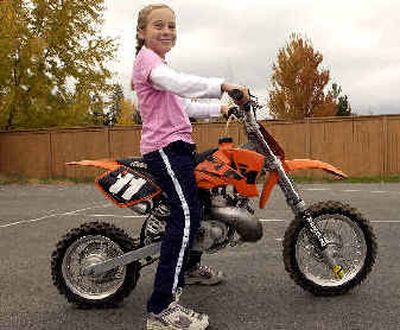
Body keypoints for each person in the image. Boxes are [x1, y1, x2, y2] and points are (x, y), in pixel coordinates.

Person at [132, 4, 249, 329]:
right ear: (142, 32)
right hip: (164, 150)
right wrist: (223, 85)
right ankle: (161, 309)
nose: (167, 30)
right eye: (159, 25)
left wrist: (221, 107)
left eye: (171, 25)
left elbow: (182, 104)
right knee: (185, 216)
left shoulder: (160, 66)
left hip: (180, 148)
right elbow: (180, 84)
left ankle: (190, 267)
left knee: (200, 202)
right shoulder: (148, 63)